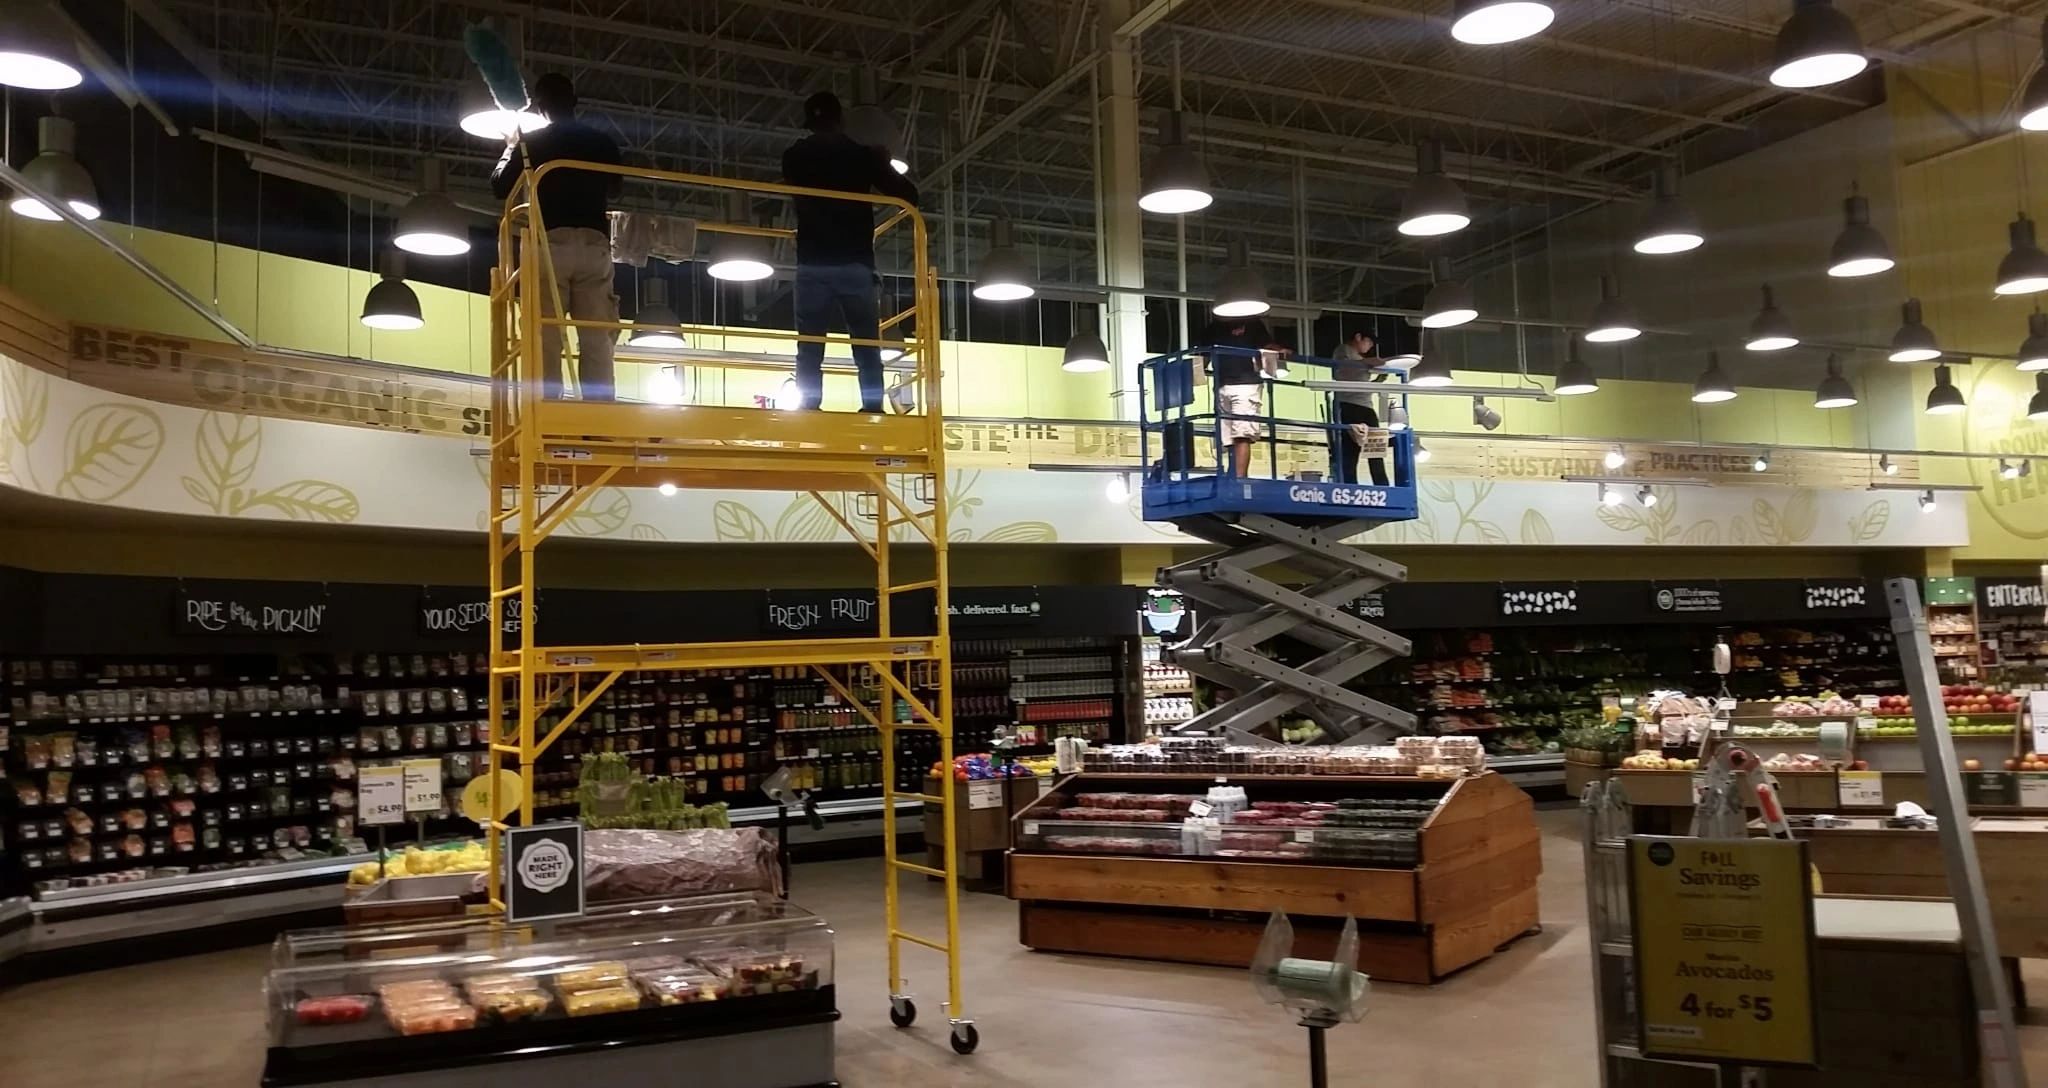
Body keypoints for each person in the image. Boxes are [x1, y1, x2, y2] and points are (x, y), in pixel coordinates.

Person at [781, 91, 921, 413]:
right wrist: (882, 161)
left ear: (810, 123)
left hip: (813, 263)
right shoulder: (862, 156)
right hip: (854, 263)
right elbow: (909, 196)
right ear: (841, 120)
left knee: (811, 343)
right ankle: (872, 406)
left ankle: (810, 403)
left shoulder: (794, 156)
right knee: (865, 342)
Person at [490, 73, 623, 401]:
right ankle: (599, 419)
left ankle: (549, 412)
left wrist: (511, 147)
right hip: (594, 244)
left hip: (551, 243)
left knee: (546, 334)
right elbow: (617, 187)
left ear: (541, 106)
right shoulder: (602, 142)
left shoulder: (532, 145)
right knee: (596, 336)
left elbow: (498, 187)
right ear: (574, 102)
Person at [1199, 313, 1278, 478]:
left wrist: (1278, 351)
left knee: (1242, 434)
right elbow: (1202, 358)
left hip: (1246, 384)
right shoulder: (1214, 328)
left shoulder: (1252, 323)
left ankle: (1240, 478)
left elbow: (1267, 346)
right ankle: (1235, 475)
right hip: (1223, 385)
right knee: (1228, 437)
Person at [1331, 330, 1390, 486]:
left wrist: (1377, 381)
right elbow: (1345, 370)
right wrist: (1369, 362)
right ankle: (1350, 486)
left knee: (1375, 449)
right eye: (1368, 342)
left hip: (1365, 406)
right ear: (1358, 337)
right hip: (1348, 406)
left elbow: (1359, 385)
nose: (1369, 346)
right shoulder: (1344, 350)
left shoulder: (1360, 359)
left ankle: (1381, 485)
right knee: (1350, 452)